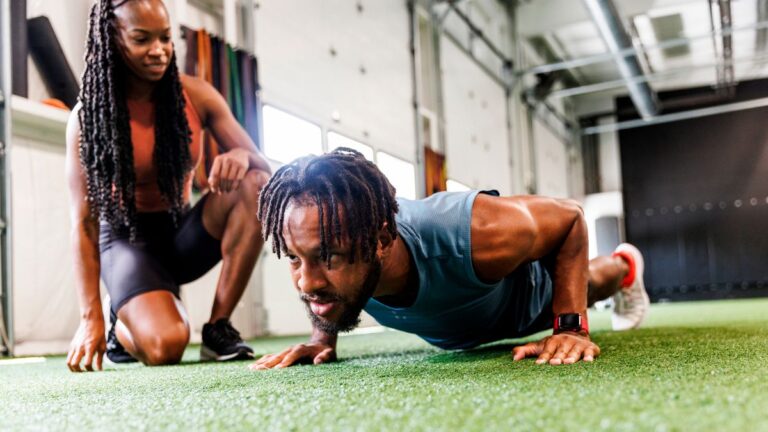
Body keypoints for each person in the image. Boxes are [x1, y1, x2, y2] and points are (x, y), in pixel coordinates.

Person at [249, 148, 650, 369]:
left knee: (594, 281)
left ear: (381, 240)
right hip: (461, 327)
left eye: (328, 257)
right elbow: (316, 267)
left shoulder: (476, 232)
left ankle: (626, 267)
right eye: (295, 259)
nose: (305, 281)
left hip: (529, 298)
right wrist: (321, 338)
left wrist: (570, 327)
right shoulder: (336, 259)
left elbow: (570, 219)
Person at [65, 0, 272, 371]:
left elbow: (263, 167)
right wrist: (89, 316)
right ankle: (122, 320)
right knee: (166, 347)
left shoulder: (196, 95)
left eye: (165, 38)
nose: (158, 50)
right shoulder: (87, 118)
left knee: (255, 183)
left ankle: (218, 327)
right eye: (142, 39)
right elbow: (84, 223)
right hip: (127, 242)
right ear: (113, 38)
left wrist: (242, 156)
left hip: (180, 232)